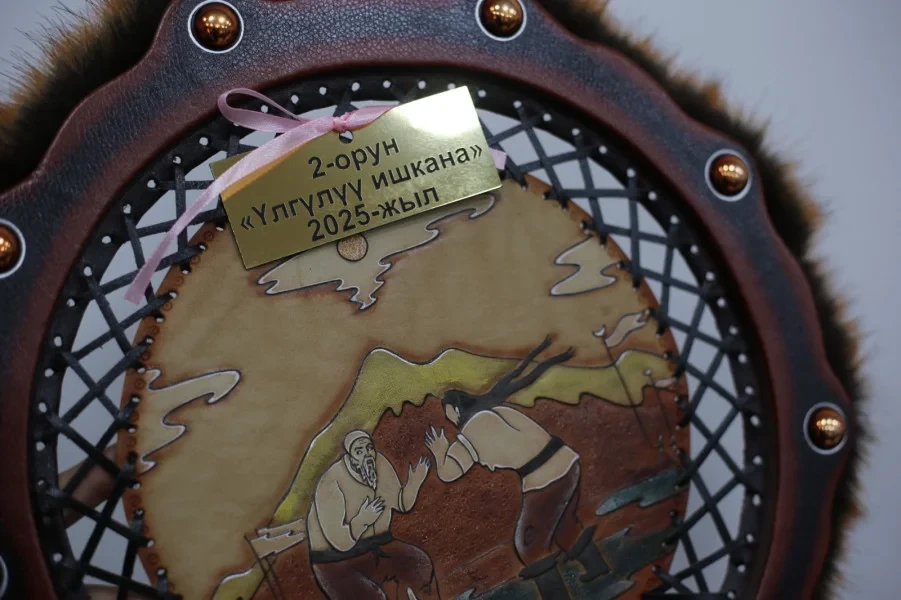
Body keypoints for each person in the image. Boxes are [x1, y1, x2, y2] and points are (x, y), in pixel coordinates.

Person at [425, 337, 609, 599]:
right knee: (565, 526)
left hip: (545, 479)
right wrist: (549, 353)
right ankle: (597, 567)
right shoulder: (493, 406)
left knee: (529, 544)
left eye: (449, 415)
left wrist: (439, 450)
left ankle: (556, 596)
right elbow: (520, 375)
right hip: (567, 462)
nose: (450, 421)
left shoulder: (473, 430)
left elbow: (448, 473)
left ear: (455, 410)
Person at [307, 430, 439, 600]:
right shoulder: (331, 482)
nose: (367, 454)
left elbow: (401, 503)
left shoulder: (380, 463)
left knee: (420, 564)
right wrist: (362, 520)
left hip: (378, 545)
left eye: (369, 448)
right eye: (359, 451)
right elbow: (340, 542)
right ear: (350, 457)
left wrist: (414, 482)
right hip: (336, 561)